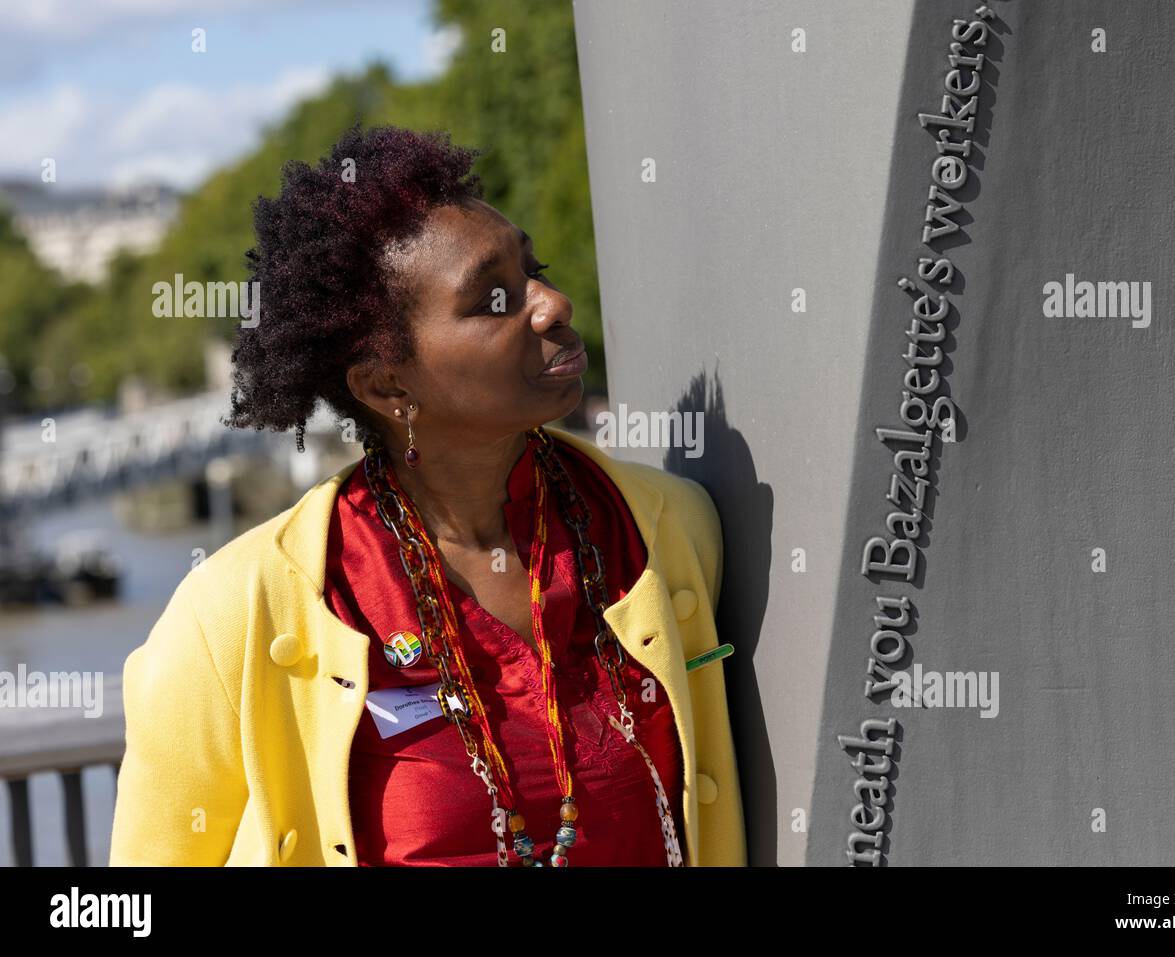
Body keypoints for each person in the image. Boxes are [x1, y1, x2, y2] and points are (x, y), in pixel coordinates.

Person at [108, 125, 746, 867]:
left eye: (532, 267)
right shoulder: (235, 613)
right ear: (386, 384)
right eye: (495, 298)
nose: (551, 303)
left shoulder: (668, 530)